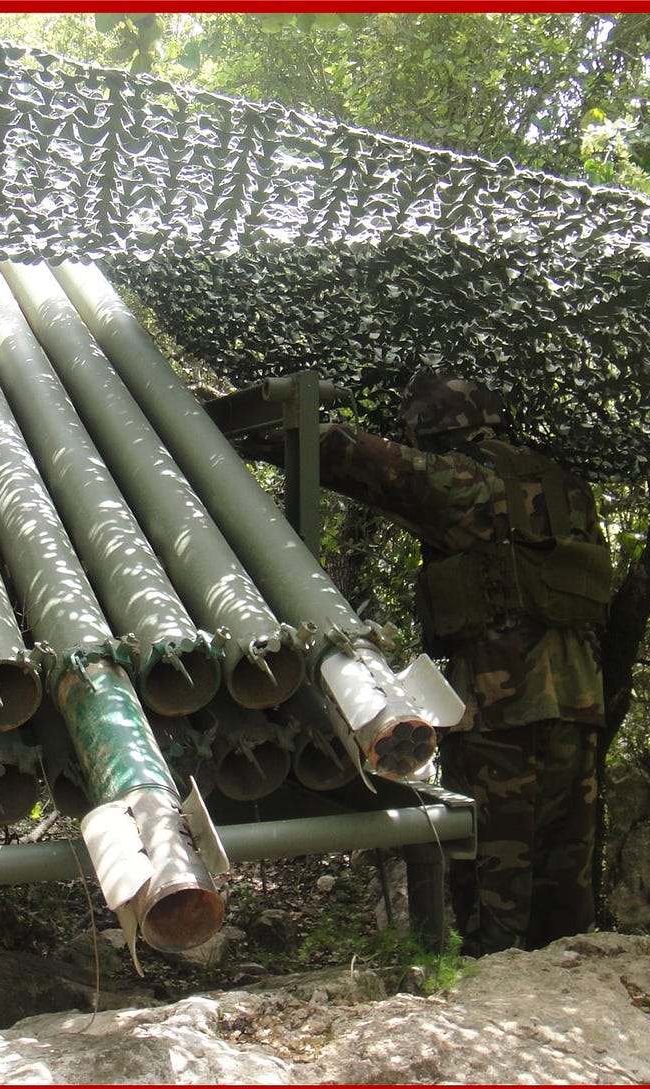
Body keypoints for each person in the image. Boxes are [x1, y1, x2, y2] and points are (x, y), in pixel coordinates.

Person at [250, 371, 611, 955]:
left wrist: (270, 434)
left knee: (495, 851)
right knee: (567, 850)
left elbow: (357, 457)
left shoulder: (463, 481)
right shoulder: (565, 486)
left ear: (433, 428)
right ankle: (572, 960)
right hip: (578, 698)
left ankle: (496, 968)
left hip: (500, 704)